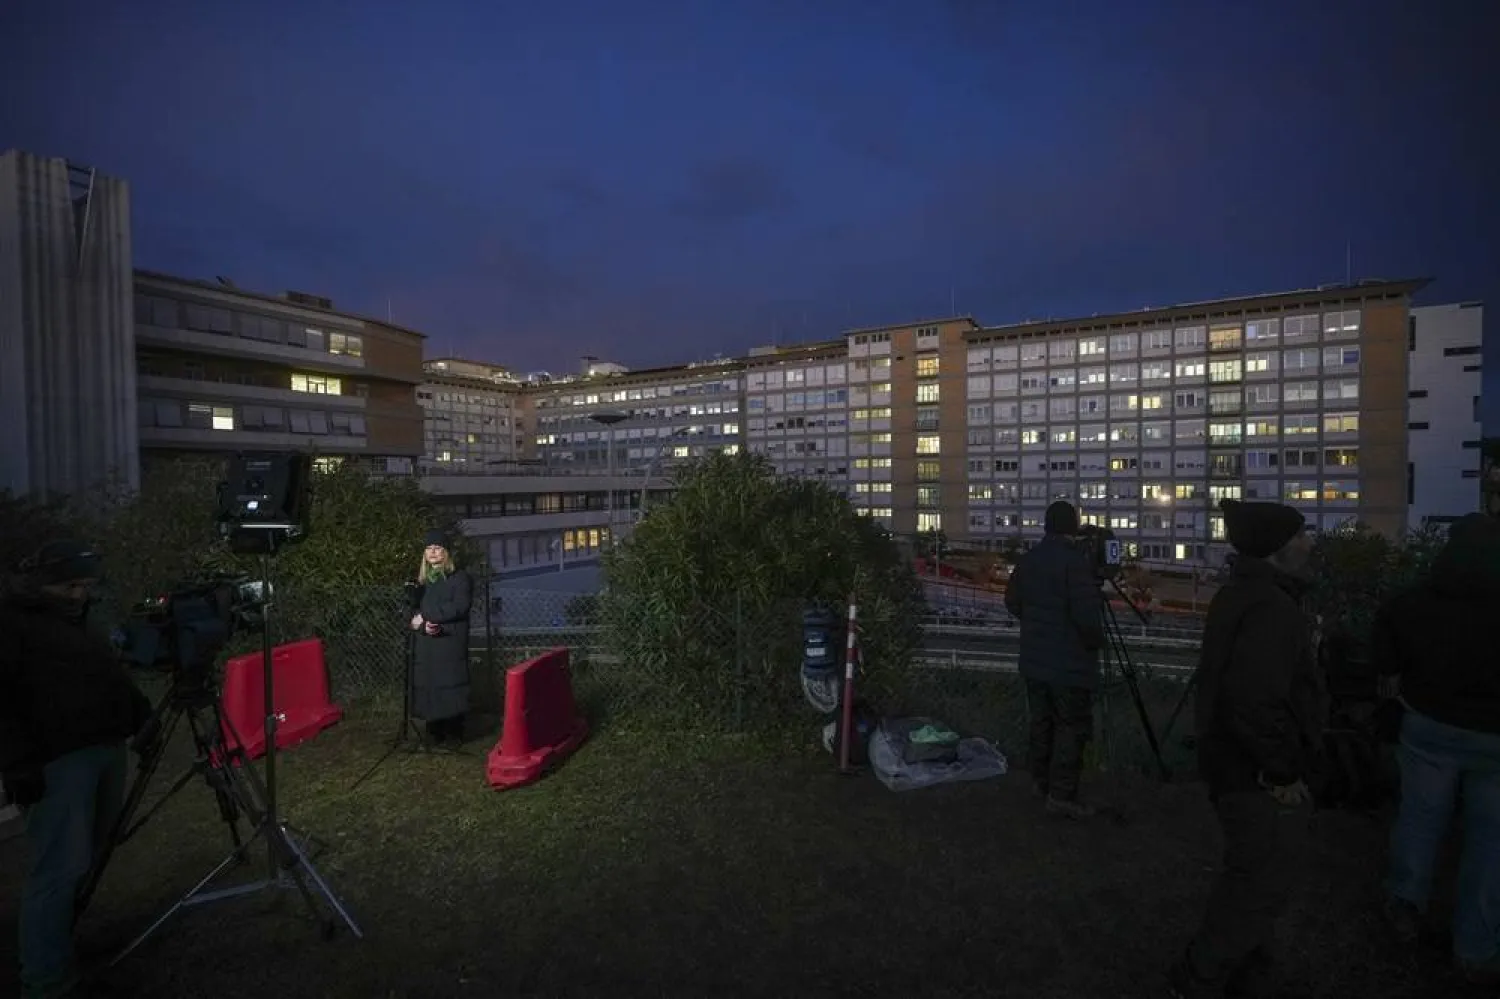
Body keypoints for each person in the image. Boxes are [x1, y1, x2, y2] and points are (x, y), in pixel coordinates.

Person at [1169, 499, 1324, 998]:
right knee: (1256, 877)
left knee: (1256, 869)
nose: (1308, 543)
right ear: (1277, 548)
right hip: (1252, 770)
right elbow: (1256, 702)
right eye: (1300, 535)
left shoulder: (1245, 594)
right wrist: (1280, 772)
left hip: (1232, 760)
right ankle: (1204, 975)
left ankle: (1244, 959)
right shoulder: (1271, 608)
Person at [1, 540, 154, 999]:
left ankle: (61, 945)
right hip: (57, 761)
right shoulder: (12, 623)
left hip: (105, 746)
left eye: (85, 586)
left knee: (90, 854)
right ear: (42, 582)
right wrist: (17, 763)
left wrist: (140, 713)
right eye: (71, 586)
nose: (79, 594)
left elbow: (110, 673)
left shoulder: (80, 620)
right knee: (58, 868)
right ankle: (45, 981)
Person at [1374, 512, 1500, 987]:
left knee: (1421, 818)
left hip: (1429, 726)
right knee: (1492, 841)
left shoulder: (1418, 601)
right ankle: (1476, 945)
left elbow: (1387, 648)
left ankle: (1405, 904)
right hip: (1496, 737)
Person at [1003, 500, 1105, 819]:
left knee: (1042, 722)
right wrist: (1094, 644)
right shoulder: (1075, 564)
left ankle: (1039, 782)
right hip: (1069, 665)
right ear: (1072, 527)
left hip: (1034, 660)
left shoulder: (1029, 560)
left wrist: (1035, 623)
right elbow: (1087, 617)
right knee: (1071, 727)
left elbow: (1012, 601)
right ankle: (1061, 795)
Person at [409, 530, 473, 747]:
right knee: (430, 685)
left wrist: (428, 617)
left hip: (450, 642)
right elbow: (412, 613)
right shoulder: (422, 583)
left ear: (446, 553)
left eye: (437, 548)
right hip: (427, 643)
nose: (433, 552)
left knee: (450, 684)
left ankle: (454, 733)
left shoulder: (460, 578)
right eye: (428, 549)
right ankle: (434, 732)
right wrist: (423, 627)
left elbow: (459, 607)